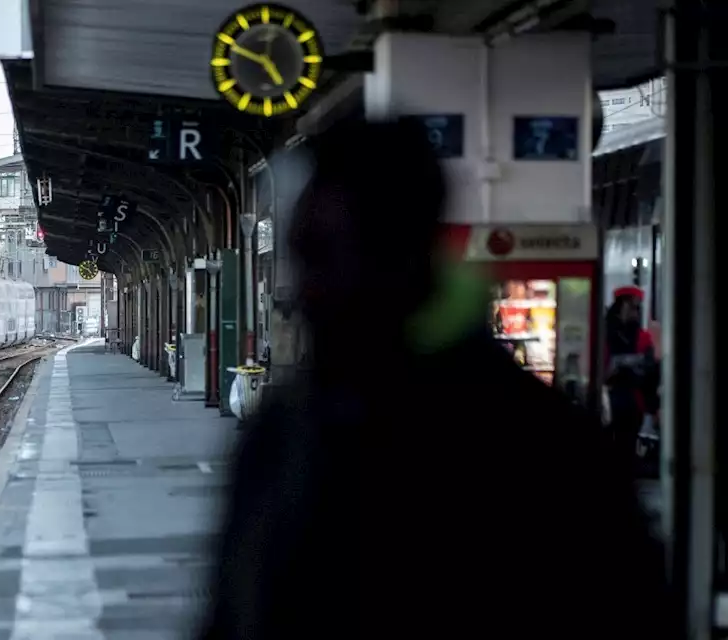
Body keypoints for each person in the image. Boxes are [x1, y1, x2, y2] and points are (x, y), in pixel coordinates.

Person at [199, 116, 674, 639]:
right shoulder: (282, 434)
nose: (306, 292)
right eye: (303, 258)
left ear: (406, 257)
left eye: (328, 258)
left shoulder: (541, 450)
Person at [604, 286, 660, 472]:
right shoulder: (607, 334)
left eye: (637, 308)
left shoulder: (642, 337)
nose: (635, 313)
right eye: (631, 307)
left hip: (632, 400)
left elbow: (650, 367)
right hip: (611, 398)